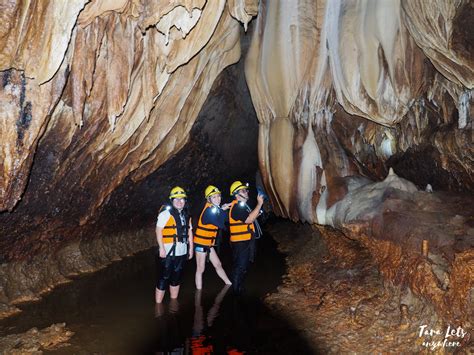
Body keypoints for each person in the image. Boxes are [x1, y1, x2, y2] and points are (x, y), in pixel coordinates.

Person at [155, 186, 194, 303]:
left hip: (181, 252)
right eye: (176, 199)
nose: (179, 201)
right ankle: (158, 306)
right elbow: (158, 230)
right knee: (164, 278)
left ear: (185, 201)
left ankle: (173, 303)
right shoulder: (165, 214)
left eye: (181, 199)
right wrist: (161, 248)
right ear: (172, 201)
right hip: (168, 252)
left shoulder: (186, 215)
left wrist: (191, 249)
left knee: (176, 278)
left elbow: (189, 232)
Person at [228, 181, 264, 294]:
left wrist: (258, 212)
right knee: (240, 267)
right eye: (243, 190)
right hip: (240, 243)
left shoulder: (242, 206)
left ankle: (238, 288)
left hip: (245, 241)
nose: (246, 192)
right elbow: (248, 220)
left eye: (246, 190)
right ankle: (235, 292)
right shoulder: (237, 207)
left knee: (243, 266)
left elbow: (249, 217)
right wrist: (259, 204)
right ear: (236, 194)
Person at [194, 185, 232, 289]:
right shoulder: (208, 211)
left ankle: (228, 284)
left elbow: (223, 218)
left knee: (218, 264)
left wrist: (222, 209)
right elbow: (222, 224)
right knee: (200, 269)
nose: (217, 199)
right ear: (209, 199)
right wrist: (224, 210)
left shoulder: (215, 209)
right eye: (214, 197)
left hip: (208, 244)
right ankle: (199, 293)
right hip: (201, 244)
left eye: (218, 196)